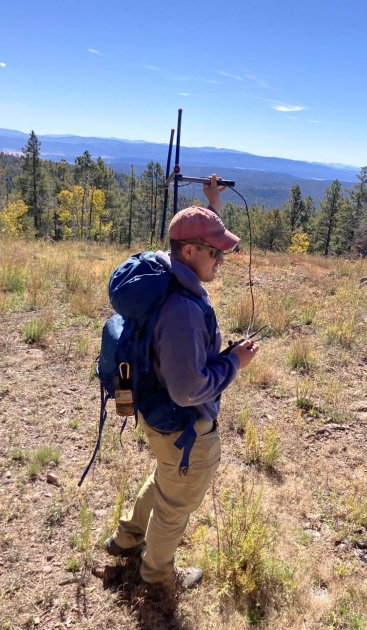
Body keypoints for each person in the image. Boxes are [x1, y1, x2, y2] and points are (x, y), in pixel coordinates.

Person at [104, 175, 259, 591]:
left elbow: (197, 239)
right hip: (183, 424)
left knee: (165, 479)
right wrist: (234, 362)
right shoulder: (182, 314)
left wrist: (211, 204)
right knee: (176, 504)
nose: (222, 261)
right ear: (189, 251)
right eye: (215, 253)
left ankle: (126, 538)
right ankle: (156, 577)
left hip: (158, 417)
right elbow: (188, 390)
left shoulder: (167, 270)